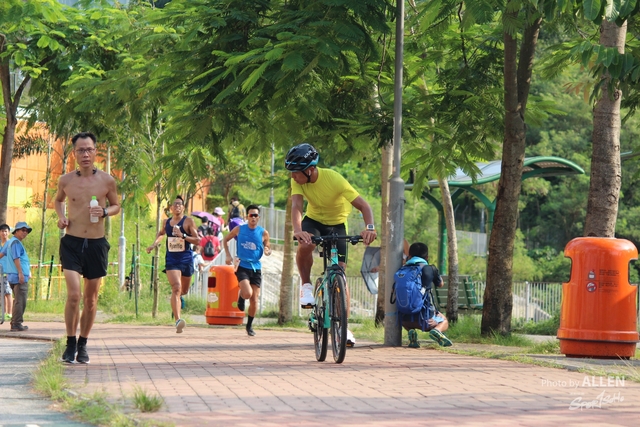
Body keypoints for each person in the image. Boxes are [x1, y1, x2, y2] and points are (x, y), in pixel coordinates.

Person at [285, 143, 377, 347]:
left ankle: (343, 328)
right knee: (306, 244)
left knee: (340, 275)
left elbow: (364, 206)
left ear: (310, 170)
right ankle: (307, 286)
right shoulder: (298, 181)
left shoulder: (334, 179)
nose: (293, 177)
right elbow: (297, 206)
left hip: (337, 225)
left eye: (296, 173)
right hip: (314, 221)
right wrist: (299, 230)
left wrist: (369, 227)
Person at [54, 131, 121, 364]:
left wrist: (104, 211)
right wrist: (61, 217)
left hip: (96, 244)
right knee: (74, 295)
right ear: (74, 153)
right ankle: (70, 342)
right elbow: (58, 200)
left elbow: (116, 206)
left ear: (95, 151)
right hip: (71, 242)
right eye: (80, 150)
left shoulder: (106, 180)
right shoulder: (66, 180)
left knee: (90, 300)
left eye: (89, 149)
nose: (85, 154)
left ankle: (83, 344)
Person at [146, 195, 199, 333]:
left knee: (184, 290)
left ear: (183, 207)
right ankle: (178, 320)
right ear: (170, 208)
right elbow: (161, 233)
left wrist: (183, 236)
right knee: (176, 287)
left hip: (186, 258)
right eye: (174, 204)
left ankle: (178, 301)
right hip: (172, 260)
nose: (177, 206)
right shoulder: (166, 222)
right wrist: (153, 244)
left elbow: (198, 240)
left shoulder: (188, 222)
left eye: (180, 204)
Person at [222, 204, 271, 337]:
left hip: (256, 267)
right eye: (251, 215)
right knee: (248, 293)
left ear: (259, 217)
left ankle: (249, 326)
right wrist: (227, 255)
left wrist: (267, 250)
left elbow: (267, 244)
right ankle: (241, 295)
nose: (253, 217)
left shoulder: (263, 232)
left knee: (255, 299)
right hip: (242, 265)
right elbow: (225, 239)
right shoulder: (240, 229)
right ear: (247, 216)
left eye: (255, 215)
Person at [401, 242, 452, 348]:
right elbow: (440, 284)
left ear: (409, 256)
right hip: (426, 321)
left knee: (407, 312)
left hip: (405, 319)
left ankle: (411, 332)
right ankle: (437, 331)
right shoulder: (430, 268)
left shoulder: (402, 270)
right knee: (444, 320)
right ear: (427, 257)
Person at [0, 222, 32, 331]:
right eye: (22, 230)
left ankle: (15, 322)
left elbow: (1, 254)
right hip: (18, 276)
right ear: (16, 231)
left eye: (26, 231)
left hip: (12, 275)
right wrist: (21, 273)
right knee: (20, 300)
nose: (25, 232)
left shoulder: (9, 242)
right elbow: (16, 258)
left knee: (18, 300)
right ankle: (16, 323)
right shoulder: (15, 243)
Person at [0, 224, 13, 321]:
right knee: (2, 293)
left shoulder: (10, 244)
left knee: (8, 292)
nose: (4, 233)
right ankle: (3, 312)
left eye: (6, 231)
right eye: (2, 231)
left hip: (8, 271)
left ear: (8, 232)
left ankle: (10, 312)